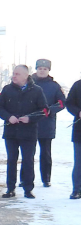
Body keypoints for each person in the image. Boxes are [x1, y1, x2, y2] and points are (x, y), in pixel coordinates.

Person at [0, 65, 48, 199]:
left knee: (28, 160)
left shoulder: (36, 91)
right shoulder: (7, 89)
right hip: (11, 132)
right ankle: (10, 189)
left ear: (26, 76)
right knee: (11, 160)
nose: (14, 76)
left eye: (17, 74)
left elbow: (44, 110)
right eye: (13, 73)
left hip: (28, 132)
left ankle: (28, 189)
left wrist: (30, 118)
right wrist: (8, 117)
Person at [30, 59, 65, 187]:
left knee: (45, 153)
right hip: (29, 123)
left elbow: (62, 103)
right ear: (36, 69)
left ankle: (46, 178)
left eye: (45, 69)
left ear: (48, 70)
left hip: (46, 124)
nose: (42, 71)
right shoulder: (29, 83)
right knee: (28, 154)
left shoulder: (54, 86)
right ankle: (26, 179)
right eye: (40, 68)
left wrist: (50, 110)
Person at [65, 77, 81, 200]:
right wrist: (78, 112)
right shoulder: (77, 85)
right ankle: (77, 189)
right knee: (79, 162)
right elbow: (69, 103)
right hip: (79, 130)